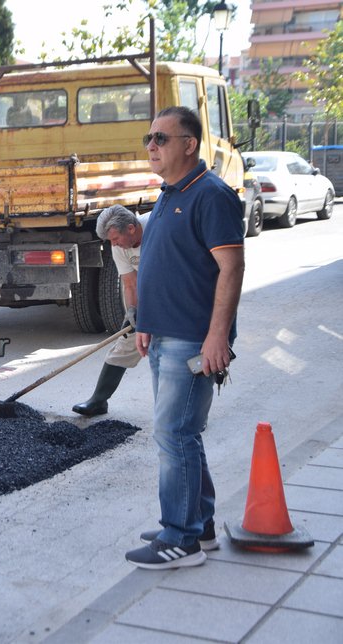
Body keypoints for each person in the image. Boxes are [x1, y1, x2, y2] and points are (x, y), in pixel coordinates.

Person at [126, 107, 245, 569]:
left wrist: (218, 337)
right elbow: (166, 264)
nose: (151, 146)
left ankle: (181, 540)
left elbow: (231, 268)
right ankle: (200, 525)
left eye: (161, 138)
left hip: (193, 341)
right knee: (183, 436)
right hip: (164, 336)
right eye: (148, 138)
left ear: (189, 144)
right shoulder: (170, 193)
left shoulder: (211, 195)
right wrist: (146, 322)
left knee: (174, 434)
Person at [72, 205, 148, 417]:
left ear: (131, 228)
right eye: (110, 241)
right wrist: (132, 311)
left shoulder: (158, 228)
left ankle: (191, 415)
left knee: (181, 354)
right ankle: (98, 400)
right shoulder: (119, 246)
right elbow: (130, 283)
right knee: (125, 343)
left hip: (177, 296)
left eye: (115, 239)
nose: (113, 244)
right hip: (149, 296)